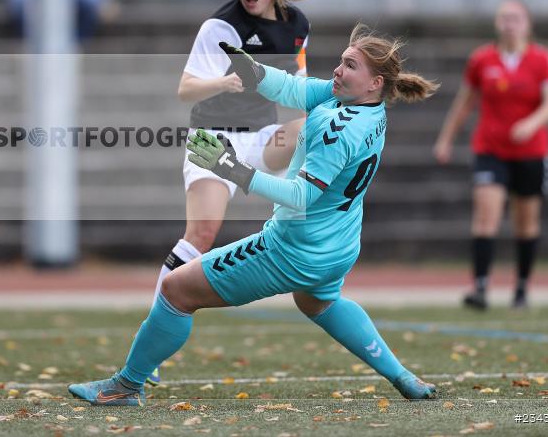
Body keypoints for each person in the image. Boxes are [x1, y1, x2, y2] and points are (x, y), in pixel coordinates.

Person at [68, 24, 440, 406]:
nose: (337, 71)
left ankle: (125, 387)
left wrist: (234, 169)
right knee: (318, 302)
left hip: (294, 249)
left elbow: (300, 197)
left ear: (374, 82)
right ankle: (403, 376)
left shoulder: (337, 128)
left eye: (349, 65)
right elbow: (295, 90)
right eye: (342, 62)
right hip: (338, 245)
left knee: (176, 290)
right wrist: (256, 73)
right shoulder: (365, 108)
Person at [148, 0, 310, 385]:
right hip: (213, 139)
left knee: (309, 127)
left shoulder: (297, 25)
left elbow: (296, 82)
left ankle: (311, 255)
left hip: (260, 137)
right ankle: (154, 330)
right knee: (202, 234)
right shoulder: (220, 26)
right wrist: (222, 82)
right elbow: (185, 89)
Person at [433, 0, 548, 310]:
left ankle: (521, 288)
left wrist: (530, 124)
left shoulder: (542, 59)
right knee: (485, 216)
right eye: (504, 18)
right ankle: (479, 288)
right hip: (490, 149)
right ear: (497, 23)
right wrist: (446, 139)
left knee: (526, 222)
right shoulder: (482, 59)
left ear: (527, 24)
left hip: (532, 152)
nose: (509, 23)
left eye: (516, 18)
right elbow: (466, 102)